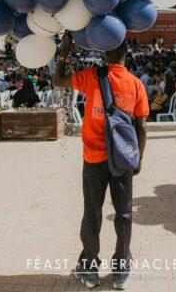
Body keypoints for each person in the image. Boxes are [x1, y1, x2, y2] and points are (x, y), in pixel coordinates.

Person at [53, 32, 148, 291]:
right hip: (123, 158)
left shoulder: (91, 77)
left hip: (94, 157)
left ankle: (90, 269)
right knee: (124, 214)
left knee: (92, 214)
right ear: (126, 54)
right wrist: (138, 158)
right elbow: (141, 127)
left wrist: (65, 49)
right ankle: (121, 272)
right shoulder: (136, 84)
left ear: (104, 53)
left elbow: (57, 79)